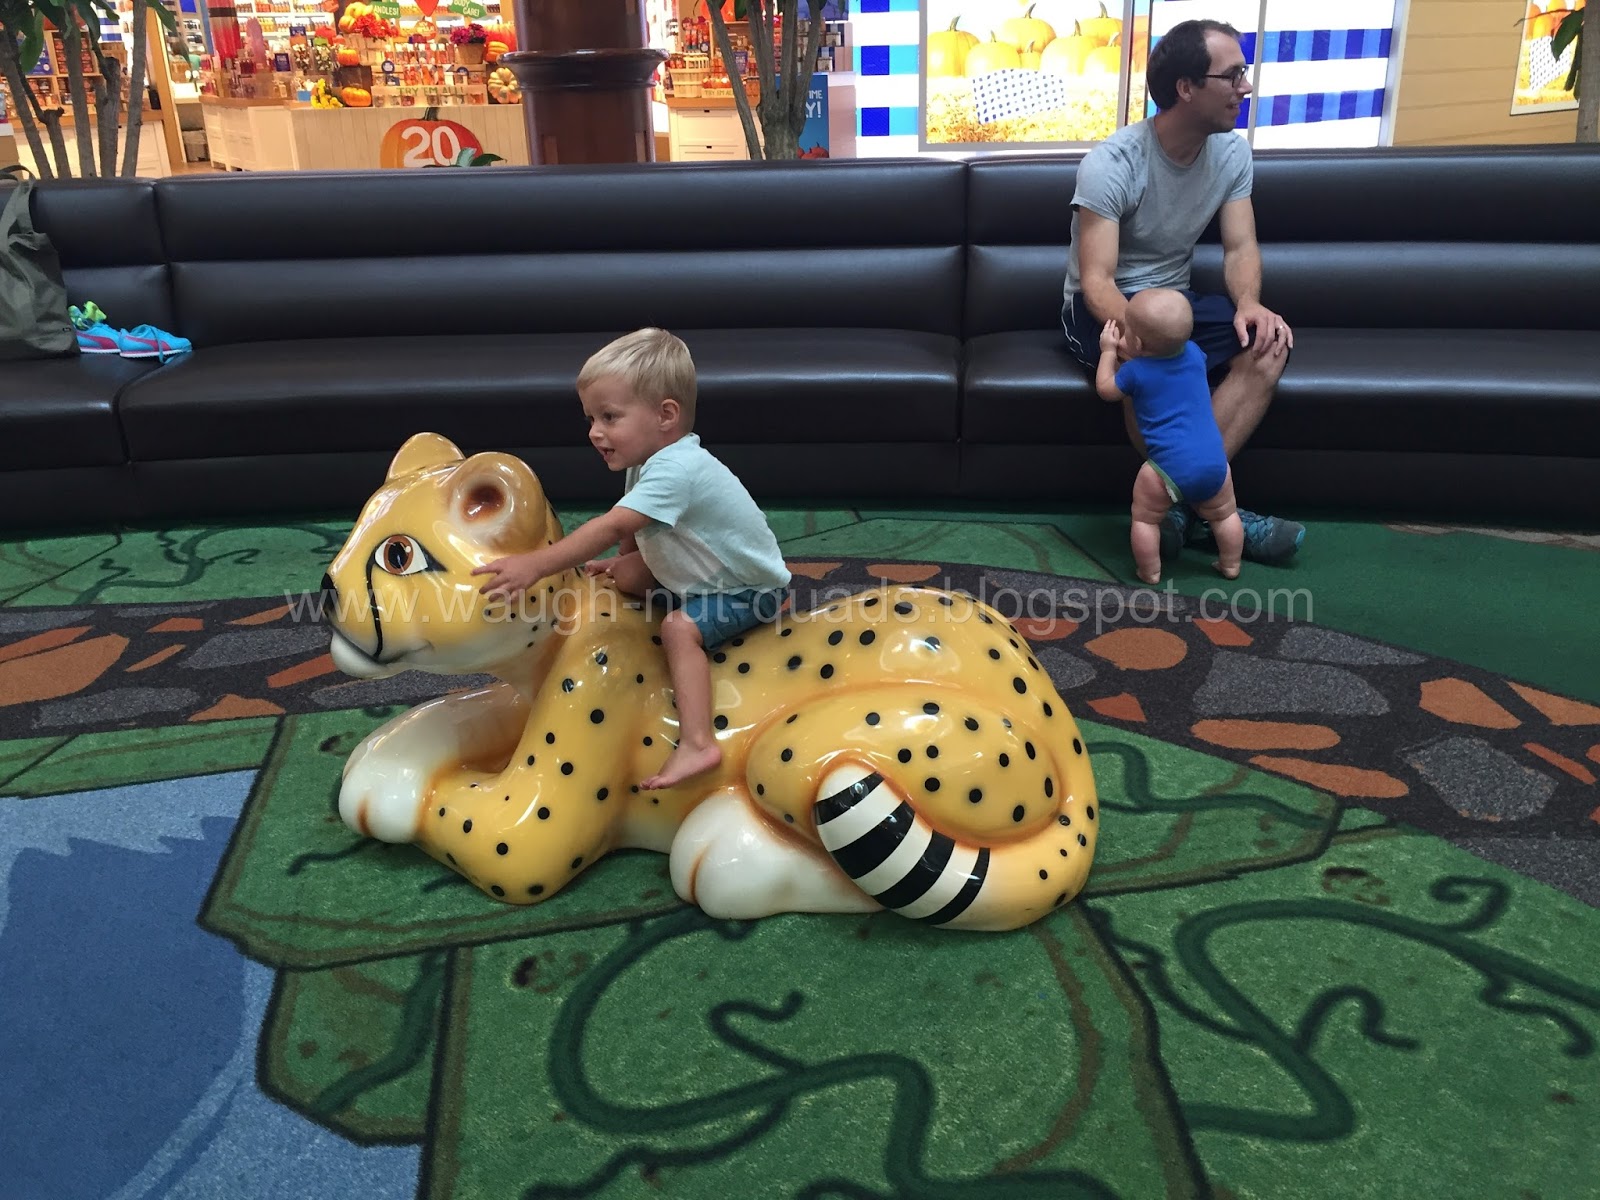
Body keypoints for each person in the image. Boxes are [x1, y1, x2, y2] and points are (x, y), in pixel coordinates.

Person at [473, 328, 792, 790]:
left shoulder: (678, 469)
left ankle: (698, 743)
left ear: (666, 415)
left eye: (609, 417)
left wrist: (536, 565)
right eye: (590, 418)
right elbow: (636, 532)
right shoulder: (648, 460)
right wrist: (626, 566)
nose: (594, 432)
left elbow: (613, 526)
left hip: (748, 591)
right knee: (621, 576)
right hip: (700, 571)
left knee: (679, 629)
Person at [1061, 17, 1304, 567]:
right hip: (1105, 304)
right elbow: (1097, 279)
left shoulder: (1232, 154)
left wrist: (1249, 303)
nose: (1245, 86)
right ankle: (1220, 510)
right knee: (1152, 363)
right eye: (1232, 75)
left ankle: (1177, 508)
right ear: (1186, 88)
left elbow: (1240, 247)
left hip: (1176, 300)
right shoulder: (1113, 163)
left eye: (1244, 72)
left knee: (1268, 345)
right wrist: (1141, 334)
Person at [1096, 288, 1242, 586]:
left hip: (1166, 470)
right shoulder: (1194, 353)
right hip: (1215, 462)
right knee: (1225, 515)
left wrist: (1109, 352)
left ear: (1138, 343)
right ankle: (1230, 564)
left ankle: (1150, 571)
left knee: (1145, 518)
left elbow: (1106, 390)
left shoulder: (1135, 372)